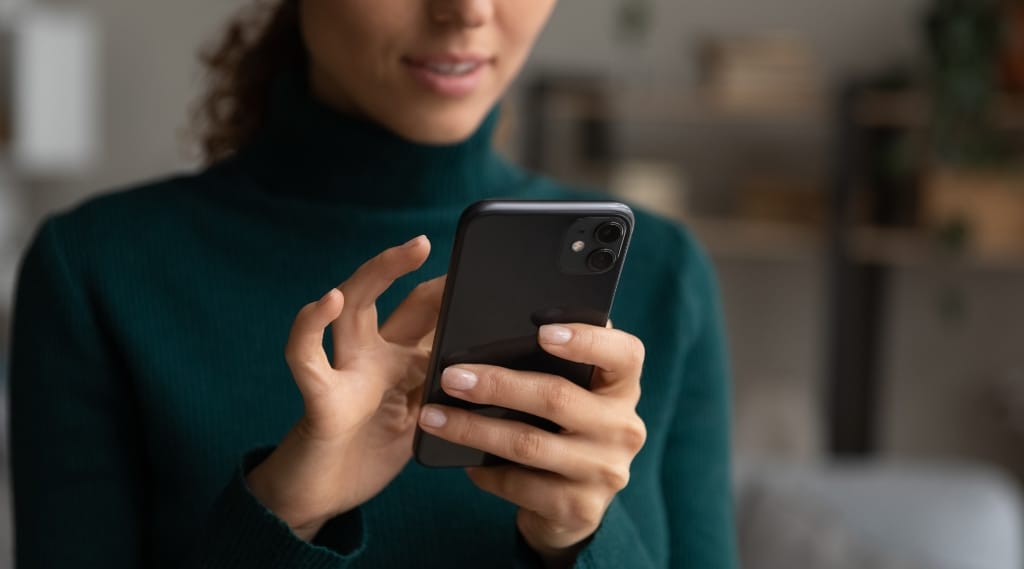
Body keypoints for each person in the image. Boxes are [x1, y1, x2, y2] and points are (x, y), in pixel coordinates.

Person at [7, 1, 737, 567]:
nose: (468, 10)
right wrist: (285, 508)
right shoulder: (98, 271)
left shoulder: (664, 275)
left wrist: (582, 539)